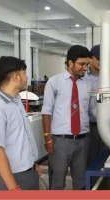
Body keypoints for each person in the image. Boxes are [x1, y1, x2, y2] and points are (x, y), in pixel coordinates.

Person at [0, 56, 41, 191]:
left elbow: (22, 138)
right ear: (15, 78)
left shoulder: (16, 100)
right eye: (24, 73)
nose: (27, 77)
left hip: (28, 172)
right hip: (11, 178)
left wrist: (32, 163)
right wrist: (13, 188)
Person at [41, 45, 96, 190]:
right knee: (58, 182)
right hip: (61, 141)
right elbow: (46, 111)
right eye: (82, 64)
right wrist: (47, 137)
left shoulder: (88, 84)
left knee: (80, 182)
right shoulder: (54, 82)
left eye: (87, 64)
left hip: (83, 140)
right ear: (70, 63)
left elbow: (92, 109)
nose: (85, 68)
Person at [85, 44, 110, 167]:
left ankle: (102, 185)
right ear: (91, 59)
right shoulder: (84, 78)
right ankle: (90, 185)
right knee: (90, 160)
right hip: (90, 127)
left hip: (108, 125)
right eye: (99, 59)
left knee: (106, 159)